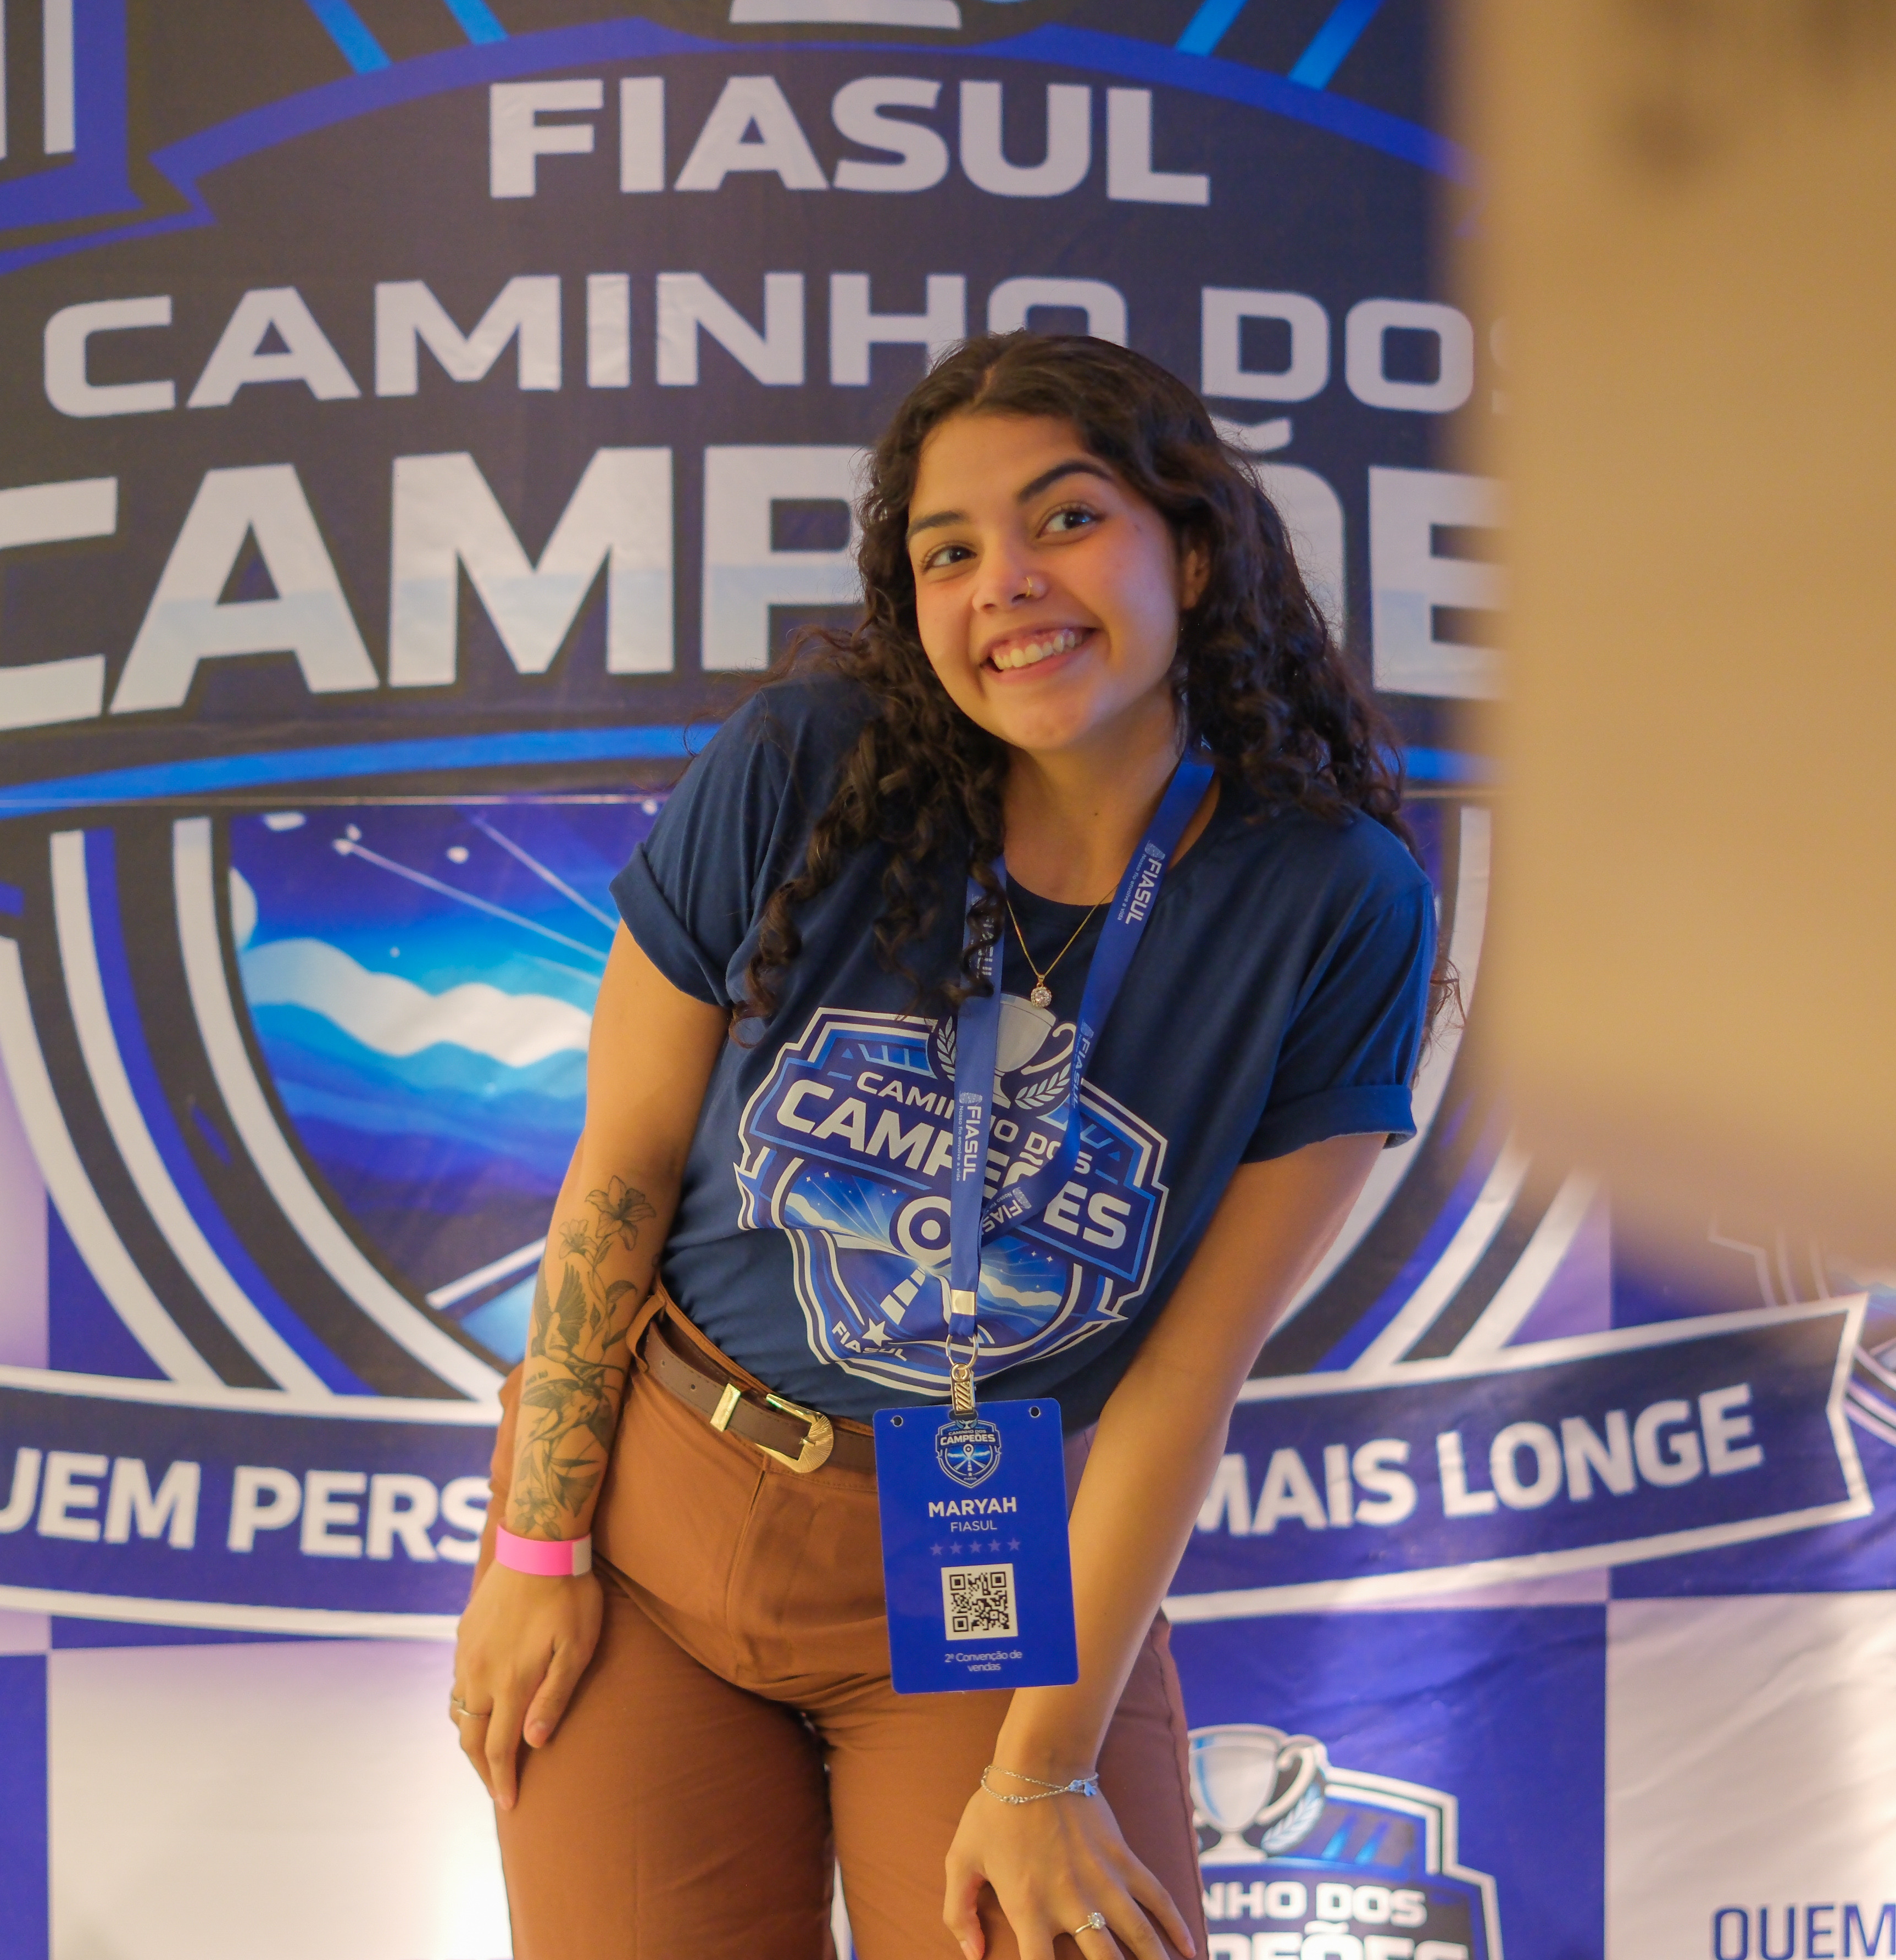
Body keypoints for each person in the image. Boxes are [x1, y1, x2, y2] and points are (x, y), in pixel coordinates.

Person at [448, 330, 1442, 1960]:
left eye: (1068, 519)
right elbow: (618, 1170)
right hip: (658, 1511)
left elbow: (1188, 1374)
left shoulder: (1338, 902)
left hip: (983, 1564)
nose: (1008, 585)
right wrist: (535, 1551)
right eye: (950, 552)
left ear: (1193, 552)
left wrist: (1045, 1770)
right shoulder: (804, 764)